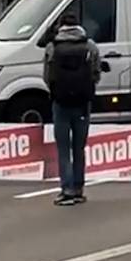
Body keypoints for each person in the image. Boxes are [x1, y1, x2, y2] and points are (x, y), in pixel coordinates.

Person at [43, 12, 100, 205]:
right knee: (79, 148)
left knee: (63, 149)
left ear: (61, 26)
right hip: (83, 103)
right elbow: (96, 73)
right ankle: (78, 188)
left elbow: (46, 76)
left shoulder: (52, 47)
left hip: (60, 103)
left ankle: (66, 189)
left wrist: (57, 91)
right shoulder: (89, 46)